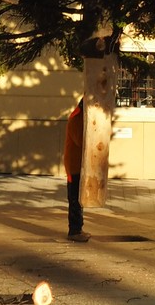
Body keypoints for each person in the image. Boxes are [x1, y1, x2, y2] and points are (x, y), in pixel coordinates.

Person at [64, 97, 89, 243]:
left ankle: (77, 228)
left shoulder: (79, 117)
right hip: (74, 165)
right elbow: (80, 139)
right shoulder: (76, 118)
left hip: (78, 165)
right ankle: (74, 230)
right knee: (74, 198)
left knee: (78, 198)